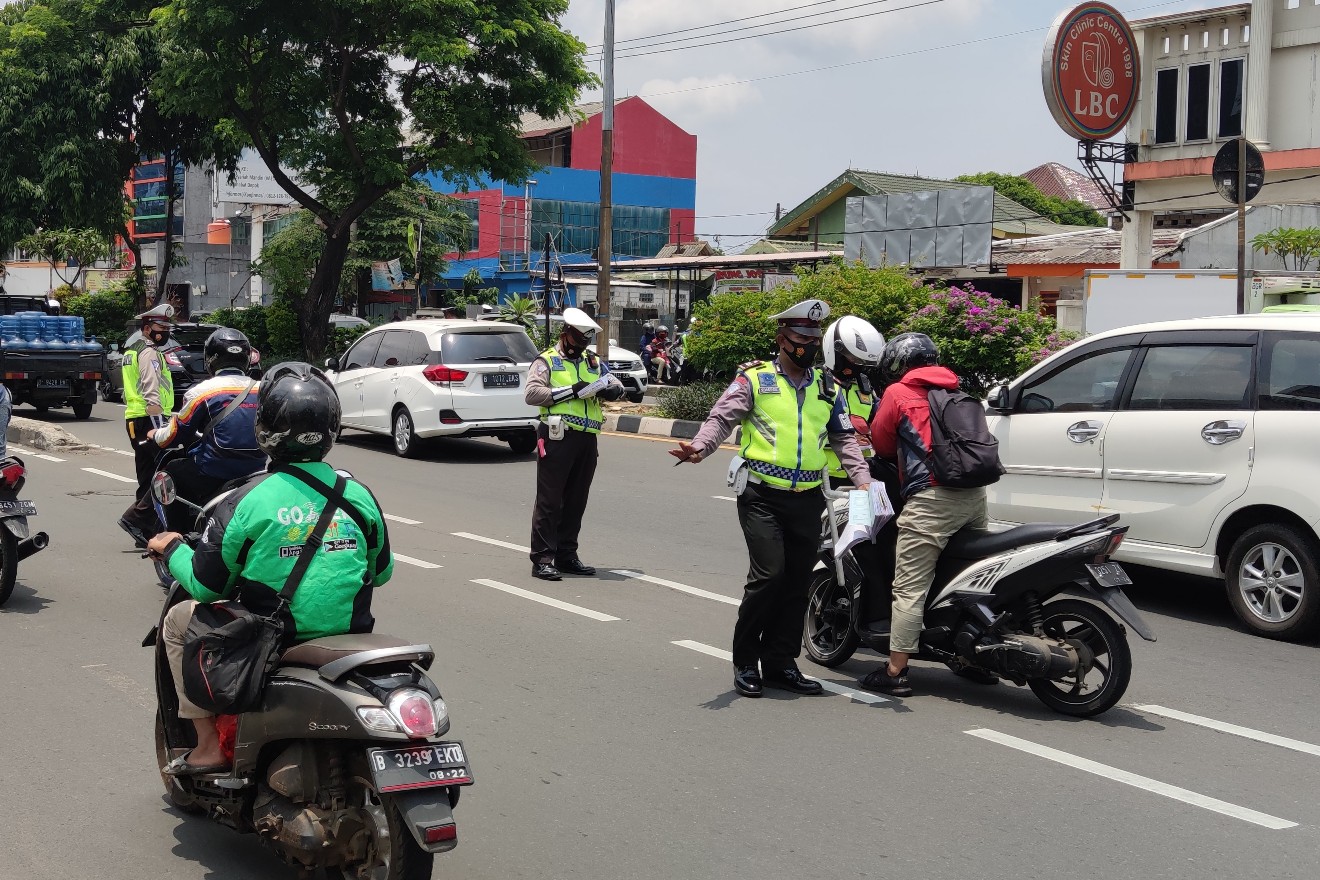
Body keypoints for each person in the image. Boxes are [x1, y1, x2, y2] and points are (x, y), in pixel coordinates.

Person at [146, 363, 393, 774]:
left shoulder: (247, 501)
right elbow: (381, 572)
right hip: (349, 636)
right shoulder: (358, 494)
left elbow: (208, 587)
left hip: (274, 637)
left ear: (265, 430)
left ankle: (208, 745)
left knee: (176, 620)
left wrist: (173, 549)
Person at [671, 299, 871, 699]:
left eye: (814, 339)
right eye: (801, 338)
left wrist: (863, 480)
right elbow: (721, 419)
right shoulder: (755, 380)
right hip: (761, 494)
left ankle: (780, 663)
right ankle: (745, 662)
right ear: (781, 339)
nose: (809, 346)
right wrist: (698, 448)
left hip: (808, 498)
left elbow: (844, 437)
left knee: (797, 582)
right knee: (768, 576)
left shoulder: (827, 386)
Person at [861, 332, 994, 697]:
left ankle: (895, 670)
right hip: (975, 496)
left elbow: (883, 443)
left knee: (908, 587)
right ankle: (970, 656)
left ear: (898, 364)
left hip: (931, 500)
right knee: (966, 581)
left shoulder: (897, 394)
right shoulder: (959, 392)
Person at [524, 307, 625, 581]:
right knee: (550, 500)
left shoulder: (592, 361)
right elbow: (532, 394)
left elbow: (615, 384)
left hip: (586, 439)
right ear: (565, 334)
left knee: (576, 500)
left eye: (586, 342)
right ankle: (543, 559)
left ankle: (567, 556)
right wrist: (570, 390)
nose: (582, 347)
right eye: (578, 340)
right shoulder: (546, 361)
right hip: (556, 436)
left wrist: (613, 389)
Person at [148, 328, 266, 532]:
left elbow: (175, 435)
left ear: (210, 359)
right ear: (247, 359)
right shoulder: (264, 390)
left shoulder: (202, 391)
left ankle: (177, 538)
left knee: (172, 472)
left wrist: (156, 435)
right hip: (257, 470)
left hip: (213, 471)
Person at [118, 303, 177, 547]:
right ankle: (136, 520)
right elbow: (150, 388)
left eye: (166, 327)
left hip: (134, 418)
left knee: (146, 474)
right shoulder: (149, 352)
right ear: (147, 328)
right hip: (149, 418)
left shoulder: (132, 350)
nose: (164, 332)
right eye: (159, 327)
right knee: (164, 473)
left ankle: (145, 530)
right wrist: (159, 423)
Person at [821, 316, 885, 487]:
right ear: (836, 350)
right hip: (821, 476)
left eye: (863, 362)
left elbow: (881, 422)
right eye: (852, 358)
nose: (858, 366)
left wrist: (869, 435)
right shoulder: (815, 383)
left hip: (860, 476)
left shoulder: (865, 387)